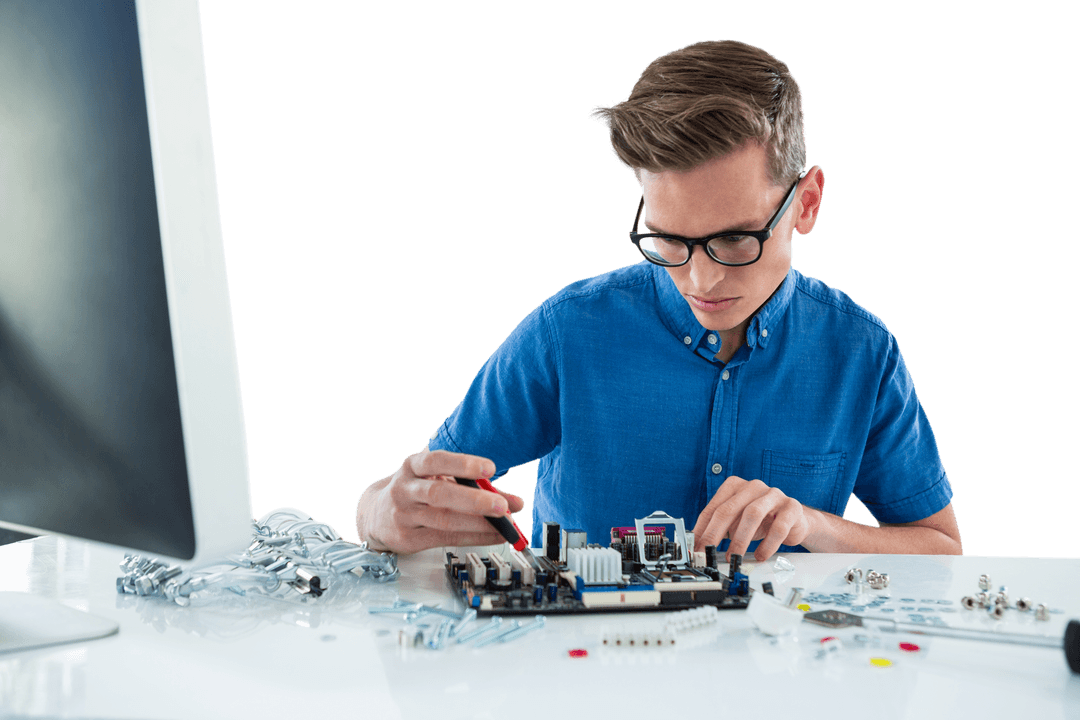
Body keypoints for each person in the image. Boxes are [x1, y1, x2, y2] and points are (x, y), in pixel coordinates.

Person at [355, 39, 962, 560]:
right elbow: (406, 495)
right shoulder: (569, 331)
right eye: (669, 239)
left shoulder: (863, 352)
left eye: (733, 239)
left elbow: (941, 547)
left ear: (806, 203)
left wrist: (814, 525)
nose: (699, 280)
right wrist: (382, 515)